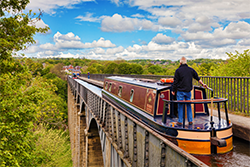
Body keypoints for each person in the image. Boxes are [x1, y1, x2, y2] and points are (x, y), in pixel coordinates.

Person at [171, 56, 207, 126]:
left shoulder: (178, 71)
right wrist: (203, 84)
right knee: (189, 105)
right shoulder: (191, 70)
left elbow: (175, 81)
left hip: (180, 91)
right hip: (188, 91)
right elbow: (197, 78)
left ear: (180, 63)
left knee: (180, 106)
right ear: (186, 62)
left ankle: (180, 121)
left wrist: (173, 90)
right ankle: (190, 120)